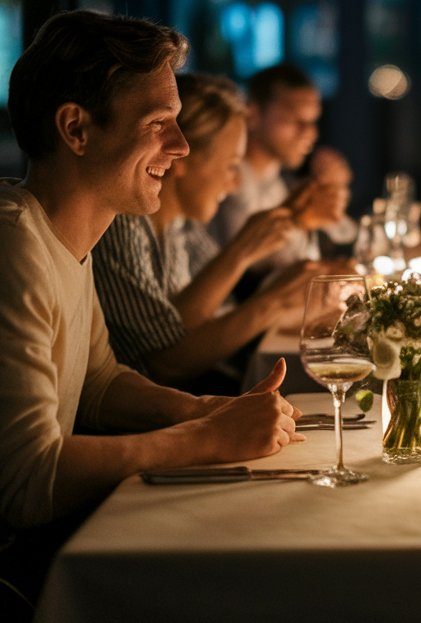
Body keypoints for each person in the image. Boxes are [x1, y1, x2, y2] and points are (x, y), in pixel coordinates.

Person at [0, 11, 303, 599]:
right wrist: (206, 440)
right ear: (77, 129)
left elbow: (100, 382)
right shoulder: (3, 243)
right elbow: (31, 482)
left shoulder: (64, 235)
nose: (181, 147)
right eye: (159, 122)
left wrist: (204, 410)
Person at [92, 73, 320, 390]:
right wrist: (264, 281)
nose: (235, 182)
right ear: (181, 157)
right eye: (231, 166)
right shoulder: (122, 221)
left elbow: (196, 319)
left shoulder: (180, 224)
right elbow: (165, 362)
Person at [207, 63, 352, 276]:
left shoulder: (279, 182)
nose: (310, 133)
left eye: (313, 121)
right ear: (253, 114)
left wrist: (331, 193)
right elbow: (255, 271)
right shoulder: (231, 183)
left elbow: (346, 237)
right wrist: (299, 217)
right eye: (297, 120)